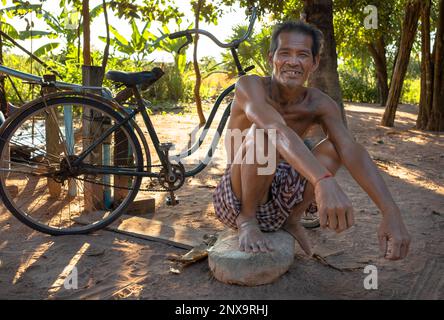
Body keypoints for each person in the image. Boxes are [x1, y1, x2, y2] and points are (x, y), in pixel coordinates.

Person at [212, 21, 411, 260]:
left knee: (335, 146)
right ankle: (247, 220)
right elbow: (275, 129)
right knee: (263, 134)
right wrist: (323, 179)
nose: (293, 62)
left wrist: (390, 211)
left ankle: (292, 220)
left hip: (282, 199)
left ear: (314, 63)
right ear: (271, 58)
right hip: (238, 196)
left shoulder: (319, 103)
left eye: (303, 55)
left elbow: (350, 149)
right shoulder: (250, 86)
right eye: (285, 53)